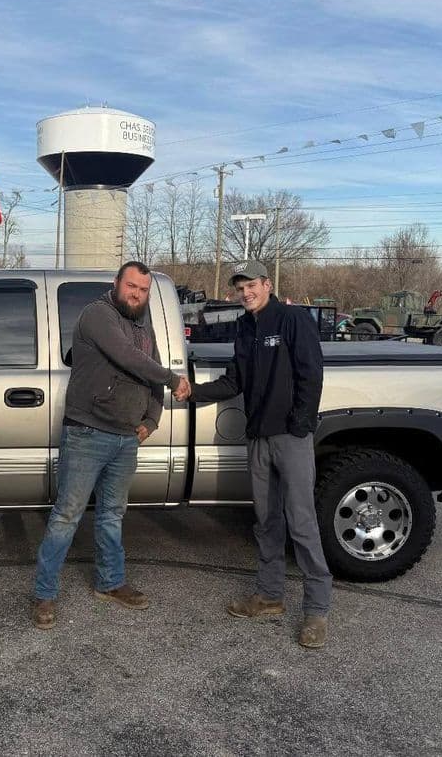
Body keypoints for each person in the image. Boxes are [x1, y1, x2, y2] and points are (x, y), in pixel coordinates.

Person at [177, 260, 331, 648]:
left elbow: (311, 374)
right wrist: (193, 391)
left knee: (301, 522)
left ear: (267, 284)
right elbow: (235, 382)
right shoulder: (245, 329)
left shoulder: (291, 320)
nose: (245, 293)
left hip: (290, 439)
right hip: (258, 438)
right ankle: (269, 595)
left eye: (251, 286)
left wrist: (300, 425)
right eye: (239, 288)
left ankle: (316, 609)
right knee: (265, 520)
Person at [32, 261, 191, 630]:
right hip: (87, 433)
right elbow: (129, 358)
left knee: (111, 514)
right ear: (117, 283)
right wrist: (172, 380)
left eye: (143, 290)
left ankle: (110, 583)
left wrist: (151, 420)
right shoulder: (96, 315)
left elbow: (149, 368)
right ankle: (45, 594)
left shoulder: (143, 324)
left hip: (125, 438)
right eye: (131, 286)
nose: (136, 294)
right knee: (67, 516)